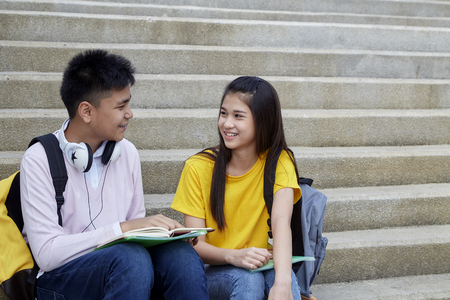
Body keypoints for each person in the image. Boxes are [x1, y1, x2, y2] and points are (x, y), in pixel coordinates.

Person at [20, 49, 209, 300]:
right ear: (86, 111)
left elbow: (135, 231)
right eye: (121, 106)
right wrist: (121, 229)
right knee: (130, 258)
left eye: (128, 103)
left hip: (124, 270)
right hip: (61, 281)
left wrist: (162, 236)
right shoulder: (39, 158)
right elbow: (47, 253)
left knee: (181, 257)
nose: (129, 113)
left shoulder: (126, 152)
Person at [171, 76, 302, 300]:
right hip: (214, 269)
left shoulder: (279, 161)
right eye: (224, 113)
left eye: (238, 116)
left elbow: (281, 221)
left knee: (280, 278)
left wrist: (283, 283)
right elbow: (196, 247)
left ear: (263, 121)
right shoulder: (198, 167)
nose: (227, 123)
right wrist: (235, 257)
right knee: (247, 279)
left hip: (262, 263)